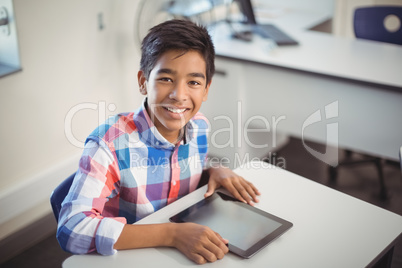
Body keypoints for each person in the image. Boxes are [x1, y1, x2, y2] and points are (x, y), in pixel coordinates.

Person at [57, 19, 260, 265]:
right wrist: (171, 234)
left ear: (206, 89)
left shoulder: (199, 126)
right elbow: (71, 229)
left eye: (194, 82)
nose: (179, 95)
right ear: (143, 82)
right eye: (166, 79)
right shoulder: (109, 145)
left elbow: (176, 180)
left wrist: (211, 173)